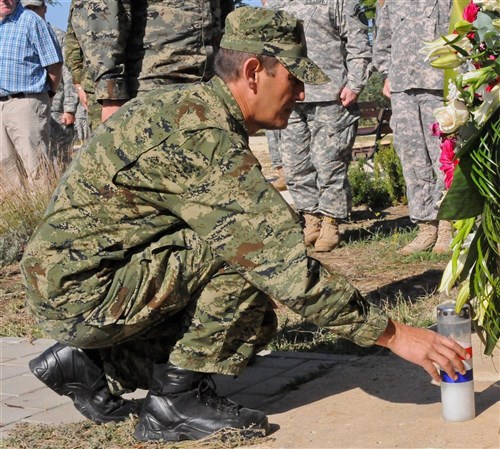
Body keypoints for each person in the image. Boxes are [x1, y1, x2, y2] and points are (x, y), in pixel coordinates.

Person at [21, 6, 469, 443]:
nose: (300, 94)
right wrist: (394, 335)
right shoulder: (201, 135)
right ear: (254, 71)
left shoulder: (190, 108)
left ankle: (94, 367)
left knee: (250, 294)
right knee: (250, 255)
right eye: (293, 80)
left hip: (79, 280)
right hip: (83, 290)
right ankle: (175, 404)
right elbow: (281, 263)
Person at [271, 0, 372, 252]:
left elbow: (359, 43)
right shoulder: (279, 3)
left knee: (329, 163)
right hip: (290, 95)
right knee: (295, 164)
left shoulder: (339, 2)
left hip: (331, 94)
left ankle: (330, 222)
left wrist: (355, 84)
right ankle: (310, 220)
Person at [64, 0, 234, 130]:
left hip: (207, 86)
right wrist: (111, 95)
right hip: (144, 89)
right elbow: (100, 13)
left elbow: (223, 13)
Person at [373, 0, 453, 255]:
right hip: (402, 88)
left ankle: (448, 224)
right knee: (411, 157)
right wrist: (387, 72)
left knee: (443, 155)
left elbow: (461, 33)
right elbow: (382, 39)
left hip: (438, 84)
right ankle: (425, 226)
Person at [0, 0, 62, 191]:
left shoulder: (31, 21)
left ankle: (43, 216)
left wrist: (49, 94)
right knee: (6, 171)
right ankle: (17, 218)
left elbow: (54, 65)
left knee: (37, 167)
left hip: (26, 102)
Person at [22, 0, 79, 169]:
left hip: (57, 108)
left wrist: (69, 108)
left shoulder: (58, 36)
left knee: (60, 161)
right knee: (34, 160)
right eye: (28, 8)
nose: (32, 12)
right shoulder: (21, 32)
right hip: (32, 106)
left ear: (44, 8)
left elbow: (69, 73)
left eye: (35, 8)